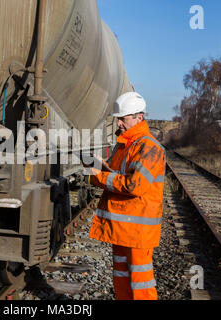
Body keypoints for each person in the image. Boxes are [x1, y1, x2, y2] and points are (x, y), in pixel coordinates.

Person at [85, 92, 166, 300]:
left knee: (141, 284)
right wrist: (99, 167)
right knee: (121, 279)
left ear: (139, 117)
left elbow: (134, 185)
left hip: (138, 232)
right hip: (123, 229)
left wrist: (99, 177)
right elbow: (116, 176)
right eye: (118, 118)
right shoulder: (124, 145)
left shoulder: (149, 147)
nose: (119, 123)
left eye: (123, 118)